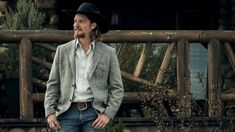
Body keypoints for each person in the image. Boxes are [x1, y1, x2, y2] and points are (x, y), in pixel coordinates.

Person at [44, 2, 124, 132]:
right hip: (67, 113)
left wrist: (107, 114)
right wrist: (50, 112)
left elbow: (117, 89)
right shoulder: (62, 51)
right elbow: (53, 84)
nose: (76, 24)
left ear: (93, 25)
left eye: (81, 21)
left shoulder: (108, 53)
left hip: (94, 115)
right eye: (75, 21)